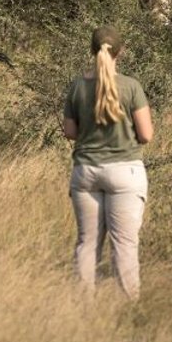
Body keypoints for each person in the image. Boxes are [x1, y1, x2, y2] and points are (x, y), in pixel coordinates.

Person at [62, 25, 154, 299]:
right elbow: (146, 135)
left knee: (87, 244)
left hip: (86, 172)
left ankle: (83, 306)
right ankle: (127, 305)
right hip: (125, 171)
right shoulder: (131, 87)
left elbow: (70, 132)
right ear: (120, 52)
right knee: (124, 244)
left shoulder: (78, 86)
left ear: (92, 51)